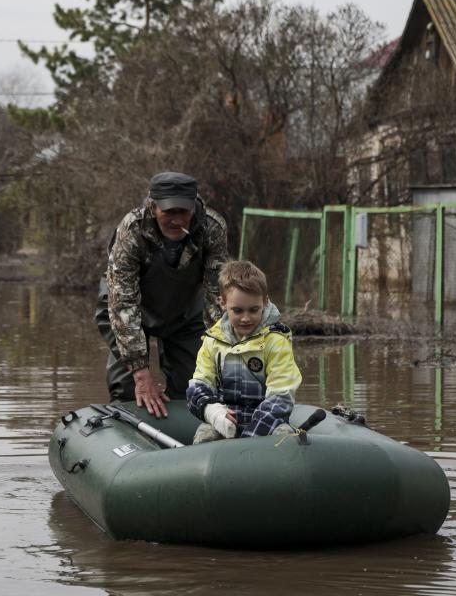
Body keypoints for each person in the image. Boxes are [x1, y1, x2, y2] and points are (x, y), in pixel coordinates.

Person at [95, 171, 228, 417]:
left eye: (183, 212)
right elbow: (123, 303)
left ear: (194, 207)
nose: (177, 220)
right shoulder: (131, 229)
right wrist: (141, 373)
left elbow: (216, 296)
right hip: (126, 308)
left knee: (195, 384)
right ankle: (128, 436)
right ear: (153, 207)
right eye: (169, 212)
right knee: (127, 387)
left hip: (184, 310)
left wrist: (219, 351)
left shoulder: (212, 227)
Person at [186, 260, 302, 443]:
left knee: (285, 439)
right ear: (223, 303)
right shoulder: (212, 341)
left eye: (254, 310)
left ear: (265, 302)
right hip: (225, 420)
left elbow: (281, 397)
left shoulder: (276, 341)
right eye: (238, 311)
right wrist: (214, 412)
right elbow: (198, 386)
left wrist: (249, 440)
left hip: (268, 423)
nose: (246, 318)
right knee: (205, 437)